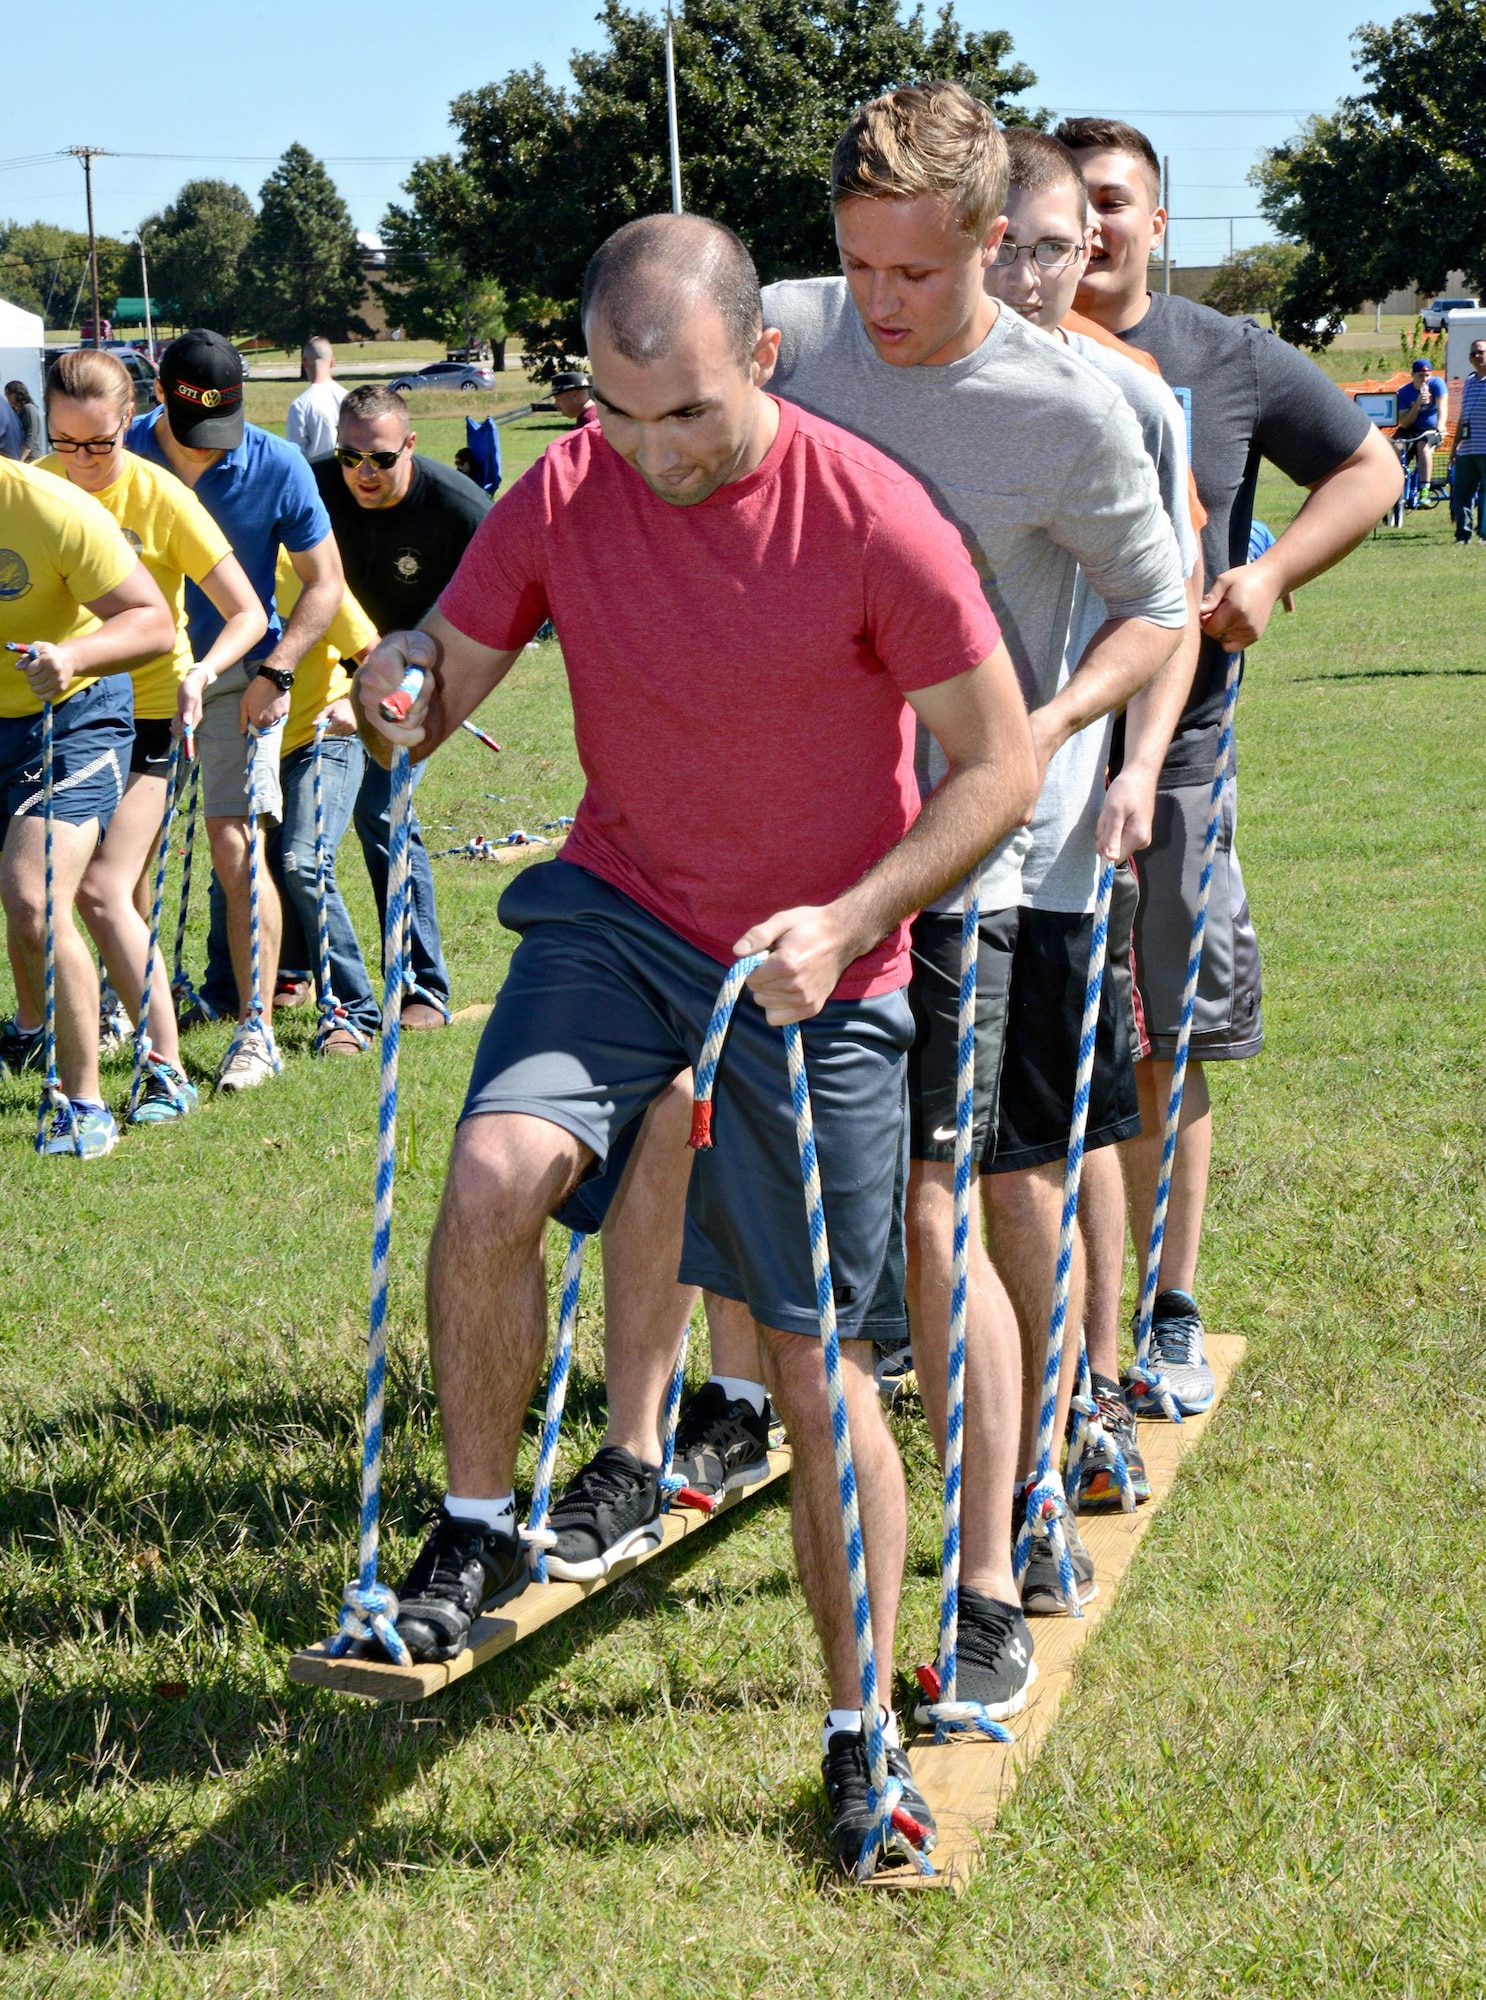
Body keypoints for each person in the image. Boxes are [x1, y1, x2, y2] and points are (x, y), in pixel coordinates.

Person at [352, 211, 1037, 1869]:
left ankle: (858, 1732)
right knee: (496, 1172)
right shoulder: (565, 489)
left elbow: (997, 765)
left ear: (765, 360)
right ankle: (472, 1532)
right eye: (613, 412)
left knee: (816, 1371)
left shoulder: (876, 522)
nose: (646, 454)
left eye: (687, 416)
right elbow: (452, 659)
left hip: (818, 965)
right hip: (622, 908)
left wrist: (852, 911)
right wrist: (403, 686)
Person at [590, 85, 1184, 1677]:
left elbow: (1159, 609)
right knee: (714, 1158)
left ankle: (986, 1573)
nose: (877, 306)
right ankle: (678, 1432)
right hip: (781, 866)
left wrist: (1044, 731)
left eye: (914, 275)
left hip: (972, 879)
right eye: (855, 267)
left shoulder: (1067, 410)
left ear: (997, 244)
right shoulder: (780, 327)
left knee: (945, 1221)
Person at [1054, 115, 1401, 1411]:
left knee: (1162, 1040)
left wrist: (1265, 570)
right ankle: (1044, 1317)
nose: (1088, 227)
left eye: (1109, 203)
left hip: (1177, 754)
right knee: (1021, 1037)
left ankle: (1167, 1310)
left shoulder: (1228, 359)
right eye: (1066, 202)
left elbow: (1367, 471)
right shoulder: (1002, 349)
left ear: (1158, 226)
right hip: (1019, 759)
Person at [983, 127, 1203, 1524]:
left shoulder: (1130, 400)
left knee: (1067, 1132)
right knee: (975, 1159)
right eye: (999, 243)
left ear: (1097, 253)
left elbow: (1165, 600)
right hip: (928, 849)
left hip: (1065, 842)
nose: (1025, 273)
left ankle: (1097, 1384)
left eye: (1053, 247)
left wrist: (1132, 765)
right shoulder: (896, 380)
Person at [9, 349, 267, 1120]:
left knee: (99, 889)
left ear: (132, 422)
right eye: (66, 443)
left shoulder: (162, 496)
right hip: (55, 714)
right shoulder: (36, 489)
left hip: (151, 715)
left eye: (101, 444)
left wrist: (204, 673)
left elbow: (248, 610)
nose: (83, 461)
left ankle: (164, 1065)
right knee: (41, 891)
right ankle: (39, 1029)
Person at [128, 328, 344, 1091]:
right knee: (130, 850)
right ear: (160, 395)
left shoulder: (277, 465)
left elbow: (325, 584)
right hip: (135, 674)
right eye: (195, 433)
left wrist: (277, 673)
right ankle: (135, 1005)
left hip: (242, 674)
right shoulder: (118, 454)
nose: (210, 449)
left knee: (234, 845)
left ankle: (256, 1031)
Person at [0, 459, 174, 1155]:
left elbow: (153, 621)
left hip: (72, 718)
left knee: (37, 898)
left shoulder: (50, 507)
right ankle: (30, 1031)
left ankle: (86, 1104)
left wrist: (73, 655)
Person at [311, 383, 491, 1027]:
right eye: (349, 457)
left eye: (381, 458)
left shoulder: (459, 509)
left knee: (384, 818)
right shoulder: (313, 489)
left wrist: (416, 687)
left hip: (411, 684)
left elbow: (495, 619)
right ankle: (295, 972)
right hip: (324, 682)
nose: (363, 472)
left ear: (410, 445)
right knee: (298, 834)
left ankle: (421, 985)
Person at [266, 553, 382, 1052]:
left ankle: (350, 1010)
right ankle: (233, 992)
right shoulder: (198, 566)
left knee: (305, 863)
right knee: (238, 870)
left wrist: (356, 701)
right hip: (255, 745)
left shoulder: (298, 569)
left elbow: (375, 656)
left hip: (322, 738)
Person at [284, 338, 345, 462]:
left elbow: (296, 456)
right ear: (332, 362)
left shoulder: (300, 405)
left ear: (304, 362)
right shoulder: (349, 397)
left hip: (317, 476)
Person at [1394, 357, 1446, 500]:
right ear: (1413, 375)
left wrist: (1440, 425)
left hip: (1430, 429)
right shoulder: (1404, 392)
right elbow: (1404, 423)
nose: (1424, 379)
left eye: (1427, 375)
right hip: (1410, 429)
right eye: (1420, 375)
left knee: (1422, 445)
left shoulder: (1437, 384)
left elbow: (1443, 407)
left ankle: (1424, 488)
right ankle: (1396, 484)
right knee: (1396, 447)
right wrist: (1417, 404)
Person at [1450, 336, 1486, 543]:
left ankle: (1484, 534)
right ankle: (1463, 535)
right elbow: (1463, 417)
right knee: (1462, 495)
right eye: (1474, 353)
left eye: (1481, 351)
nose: (1477, 356)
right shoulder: (1469, 382)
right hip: (1467, 450)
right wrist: (1455, 446)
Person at [6, 382, 44, 463]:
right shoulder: (17, 412)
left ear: (17, 394)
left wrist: (21, 459)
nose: (8, 399)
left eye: (9, 395)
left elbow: (30, 436)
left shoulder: (28, 409)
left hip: (30, 459)